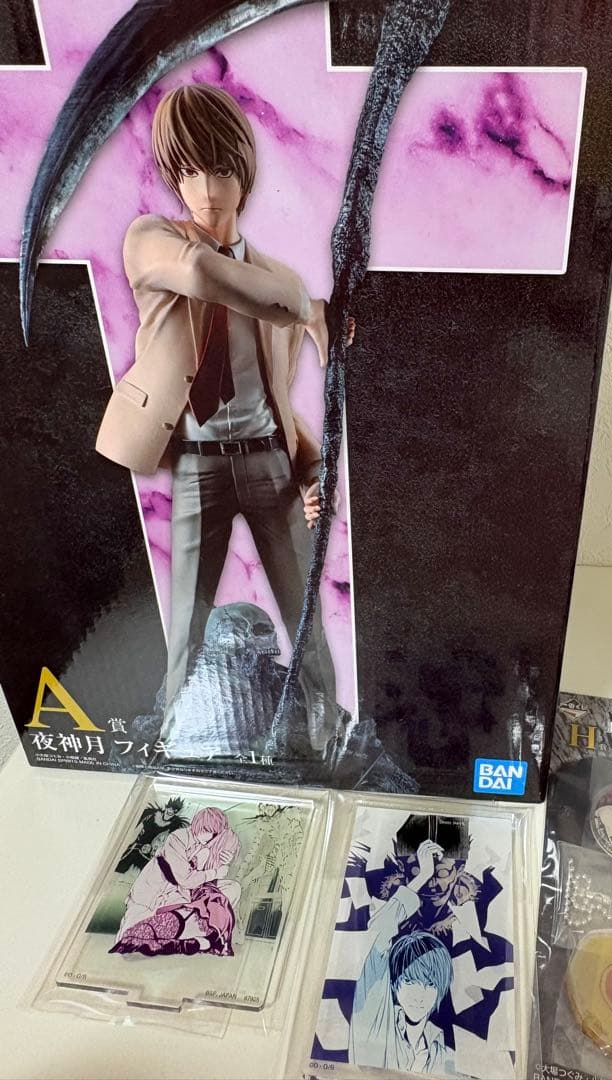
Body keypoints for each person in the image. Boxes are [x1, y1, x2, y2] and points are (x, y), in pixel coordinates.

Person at [95, 83, 352, 756]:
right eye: (187, 171)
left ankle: (329, 736)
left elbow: (276, 400)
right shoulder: (152, 241)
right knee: (186, 622)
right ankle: (171, 738)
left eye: (220, 168)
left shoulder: (271, 277)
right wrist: (309, 307)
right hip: (197, 464)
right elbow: (205, 275)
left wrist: (312, 470)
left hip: (269, 462)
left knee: (306, 619)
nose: (205, 189)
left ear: (245, 172)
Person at [350, 839, 455, 1074]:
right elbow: (378, 931)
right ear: (395, 984)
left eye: (429, 984)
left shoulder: (440, 1050)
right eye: (410, 981)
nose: (419, 996)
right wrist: (423, 875)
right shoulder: (374, 1018)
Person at [111, 806, 241, 957]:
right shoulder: (178, 838)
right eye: (206, 830)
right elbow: (185, 878)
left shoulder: (206, 847)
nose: (208, 836)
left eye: (213, 833)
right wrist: (215, 872)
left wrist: (224, 862)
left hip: (176, 896)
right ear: (197, 824)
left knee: (231, 888)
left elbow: (205, 880)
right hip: (151, 893)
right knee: (124, 944)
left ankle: (196, 940)